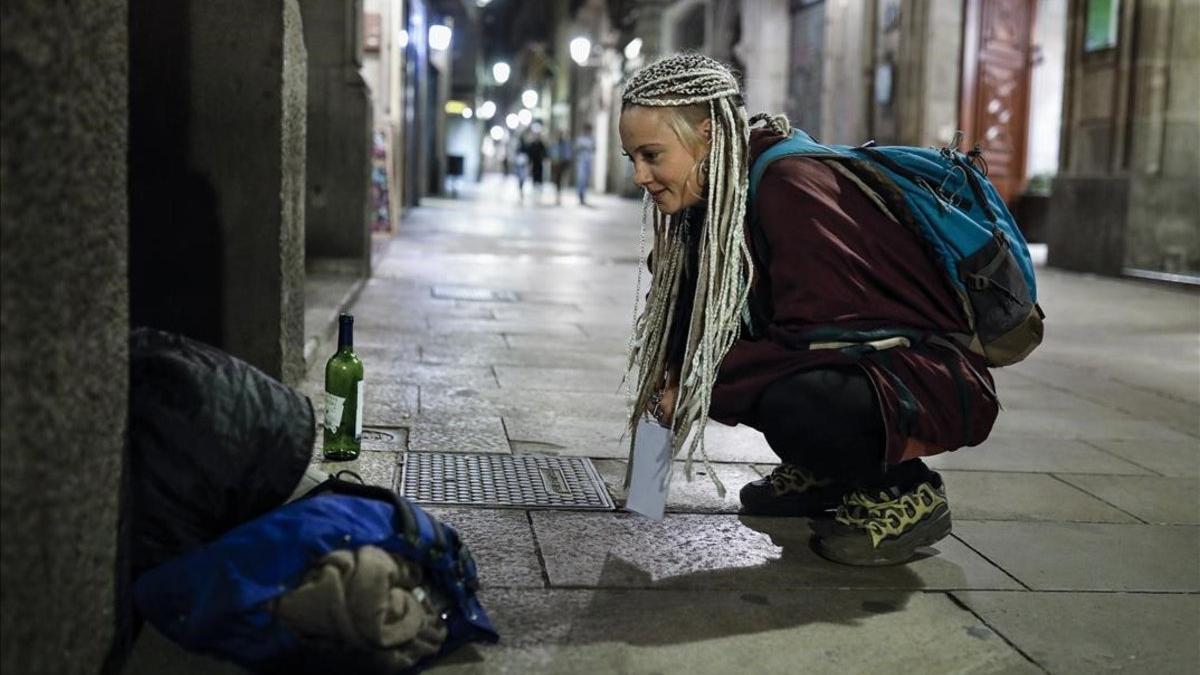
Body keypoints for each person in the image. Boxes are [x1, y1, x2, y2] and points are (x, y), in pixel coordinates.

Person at [619, 53, 999, 566]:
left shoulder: (788, 184)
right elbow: (687, 326)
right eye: (632, 159)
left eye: (651, 155)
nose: (641, 175)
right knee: (729, 371)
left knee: (793, 397)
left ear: (705, 135)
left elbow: (821, 339)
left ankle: (904, 491)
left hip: (917, 374)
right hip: (850, 365)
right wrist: (671, 386)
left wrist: (698, 381)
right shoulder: (707, 198)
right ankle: (826, 470)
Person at [573, 124, 596, 206]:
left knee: (586, 180)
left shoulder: (592, 139)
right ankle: (580, 195)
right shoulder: (580, 139)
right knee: (581, 179)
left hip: (588, 161)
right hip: (581, 161)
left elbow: (594, 148)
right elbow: (576, 148)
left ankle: (583, 196)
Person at [550, 131, 572, 205]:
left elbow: (567, 154)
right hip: (556, 163)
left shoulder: (565, 144)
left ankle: (559, 193)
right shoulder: (554, 143)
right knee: (556, 179)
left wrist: (566, 162)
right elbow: (551, 153)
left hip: (562, 163)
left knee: (559, 179)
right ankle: (557, 193)